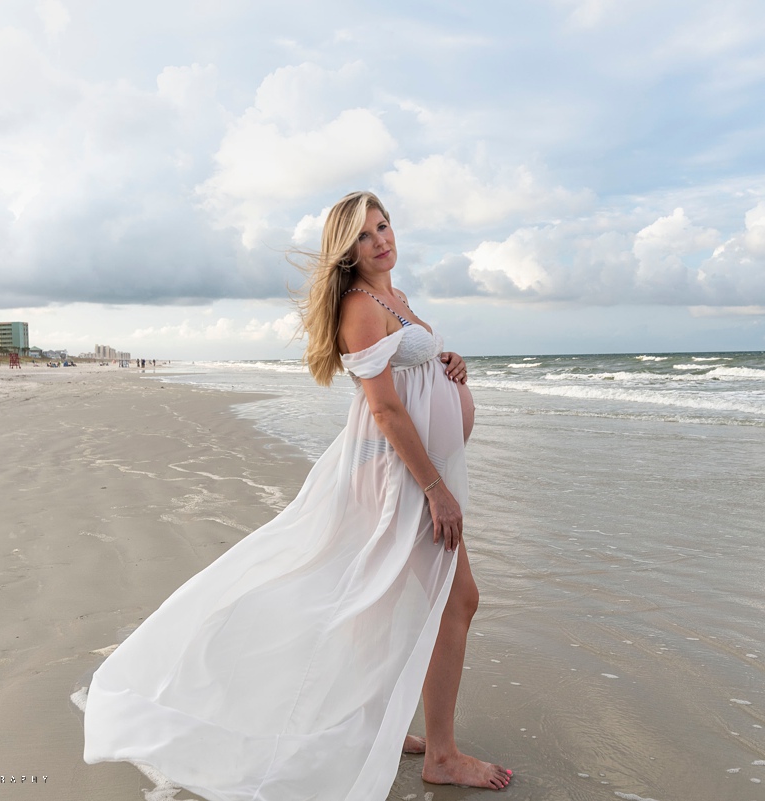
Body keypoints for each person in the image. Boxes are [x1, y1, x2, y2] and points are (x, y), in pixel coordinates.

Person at [82, 191, 510, 797]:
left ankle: (373, 724)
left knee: (387, 598)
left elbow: (407, 368)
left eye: (384, 226)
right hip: (400, 475)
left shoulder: (397, 298)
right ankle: (440, 753)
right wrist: (435, 488)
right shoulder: (360, 306)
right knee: (455, 600)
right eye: (364, 236)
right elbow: (384, 409)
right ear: (346, 250)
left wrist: (446, 361)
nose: (381, 240)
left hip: (414, 470)